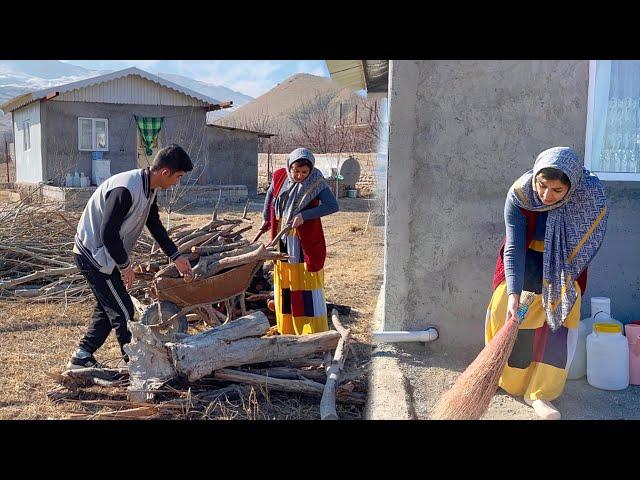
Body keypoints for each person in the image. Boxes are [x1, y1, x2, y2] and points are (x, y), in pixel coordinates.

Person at [486, 146, 608, 419]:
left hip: (565, 264)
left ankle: (539, 394)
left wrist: (556, 282)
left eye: (556, 191)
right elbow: (514, 246)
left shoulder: (588, 197)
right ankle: (508, 381)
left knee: (560, 320)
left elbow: (584, 244)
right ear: (535, 177)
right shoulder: (520, 194)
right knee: (505, 309)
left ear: (572, 187)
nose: (546, 196)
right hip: (524, 256)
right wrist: (515, 292)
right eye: (542, 186)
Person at [66, 144, 194, 370]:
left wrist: (176, 256)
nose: (177, 182)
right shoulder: (127, 188)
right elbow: (107, 233)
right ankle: (135, 365)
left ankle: (81, 356)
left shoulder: (148, 189)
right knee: (124, 310)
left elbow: (153, 224)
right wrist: (125, 266)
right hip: (93, 254)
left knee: (108, 308)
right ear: (165, 172)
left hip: (107, 255)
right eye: (178, 177)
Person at [259, 147, 339, 335]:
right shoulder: (280, 176)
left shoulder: (316, 181)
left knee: (305, 282)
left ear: (311, 170)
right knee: (286, 281)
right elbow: (271, 195)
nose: (299, 176)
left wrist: (305, 215)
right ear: (289, 166)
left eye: (304, 172)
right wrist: (266, 218)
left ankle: (310, 330)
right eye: (296, 171)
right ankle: (287, 327)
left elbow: (332, 206)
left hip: (305, 242)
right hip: (283, 238)